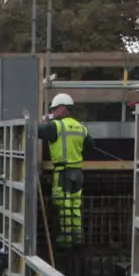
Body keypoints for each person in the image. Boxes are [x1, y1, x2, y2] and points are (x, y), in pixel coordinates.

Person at [37, 93, 88, 250]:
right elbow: (91, 145)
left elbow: (36, 130)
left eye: (54, 109)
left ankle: (65, 239)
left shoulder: (56, 126)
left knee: (63, 205)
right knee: (75, 206)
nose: (53, 112)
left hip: (63, 172)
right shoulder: (81, 127)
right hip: (78, 172)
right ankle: (78, 237)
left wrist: (45, 120)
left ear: (62, 109)